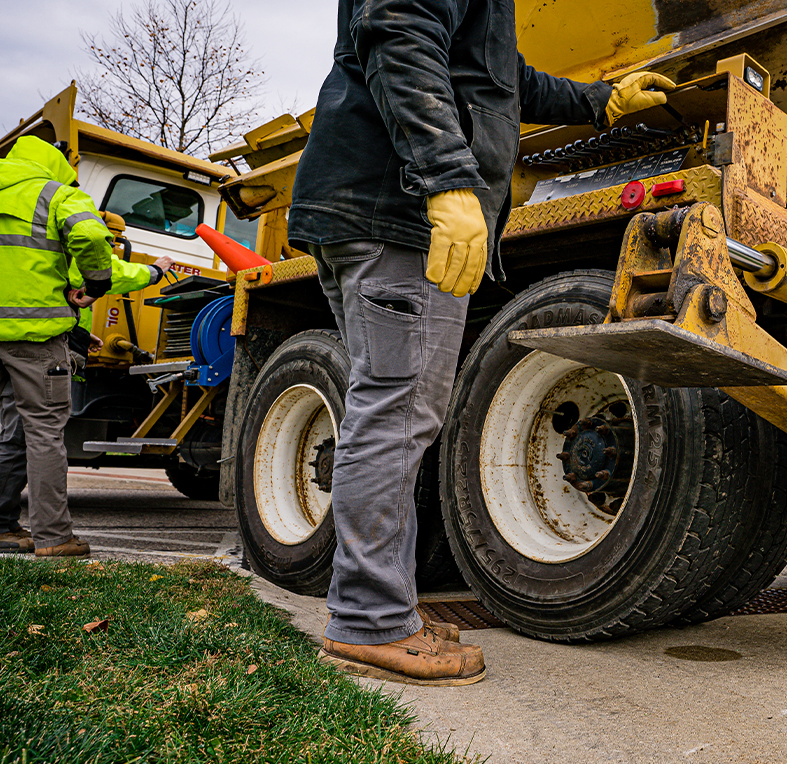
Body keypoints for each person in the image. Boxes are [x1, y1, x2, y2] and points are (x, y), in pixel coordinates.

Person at [287, 0, 674, 686]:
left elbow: (502, 80)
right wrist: (446, 181)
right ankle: (370, 623)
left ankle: (386, 611)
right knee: (396, 413)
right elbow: (399, 31)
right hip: (398, 213)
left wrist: (603, 101)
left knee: (392, 414)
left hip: (376, 207)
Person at [0, 244, 174, 554]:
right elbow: (100, 272)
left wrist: (79, 336)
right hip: (32, 341)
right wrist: (154, 271)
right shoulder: (55, 210)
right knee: (27, 437)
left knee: (15, 436)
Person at [0, 136, 115, 558]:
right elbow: (92, 234)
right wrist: (96, 283)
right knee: (42, 433)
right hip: (35, 335)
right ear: (56, 164)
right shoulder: (55, 194)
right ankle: (54, 538)